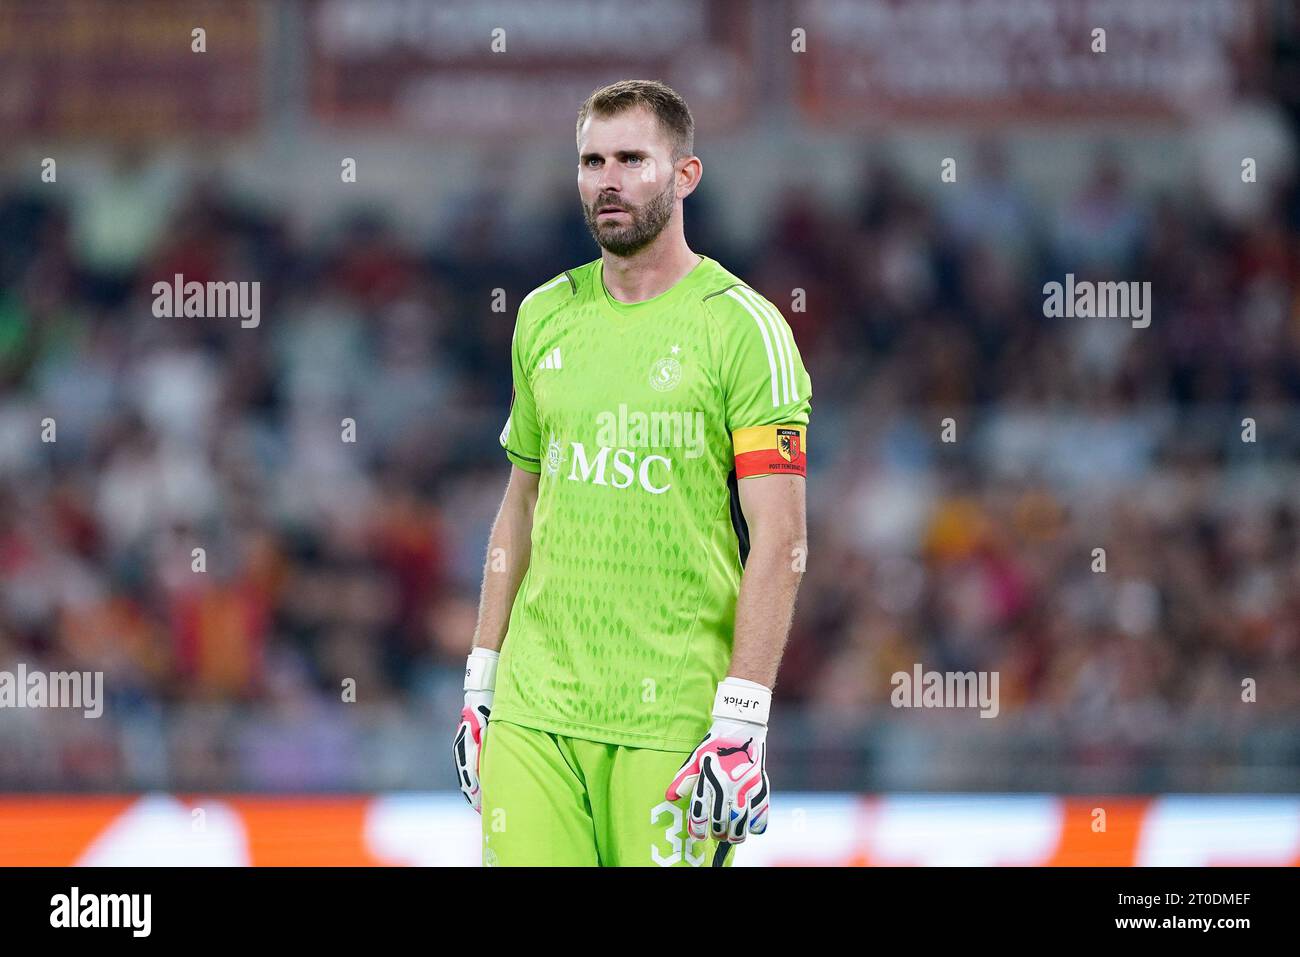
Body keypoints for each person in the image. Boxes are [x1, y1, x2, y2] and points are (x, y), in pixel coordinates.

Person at [452, 79, 811, 866]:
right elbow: (521, 502)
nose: (606, 180)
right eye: (590, 160)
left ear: (684, 176)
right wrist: (483, 680)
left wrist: (743, 719)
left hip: (674, 722)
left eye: (631, 159)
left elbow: (781, 539)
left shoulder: (743, 328)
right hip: (535, 712)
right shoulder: (544, 313)